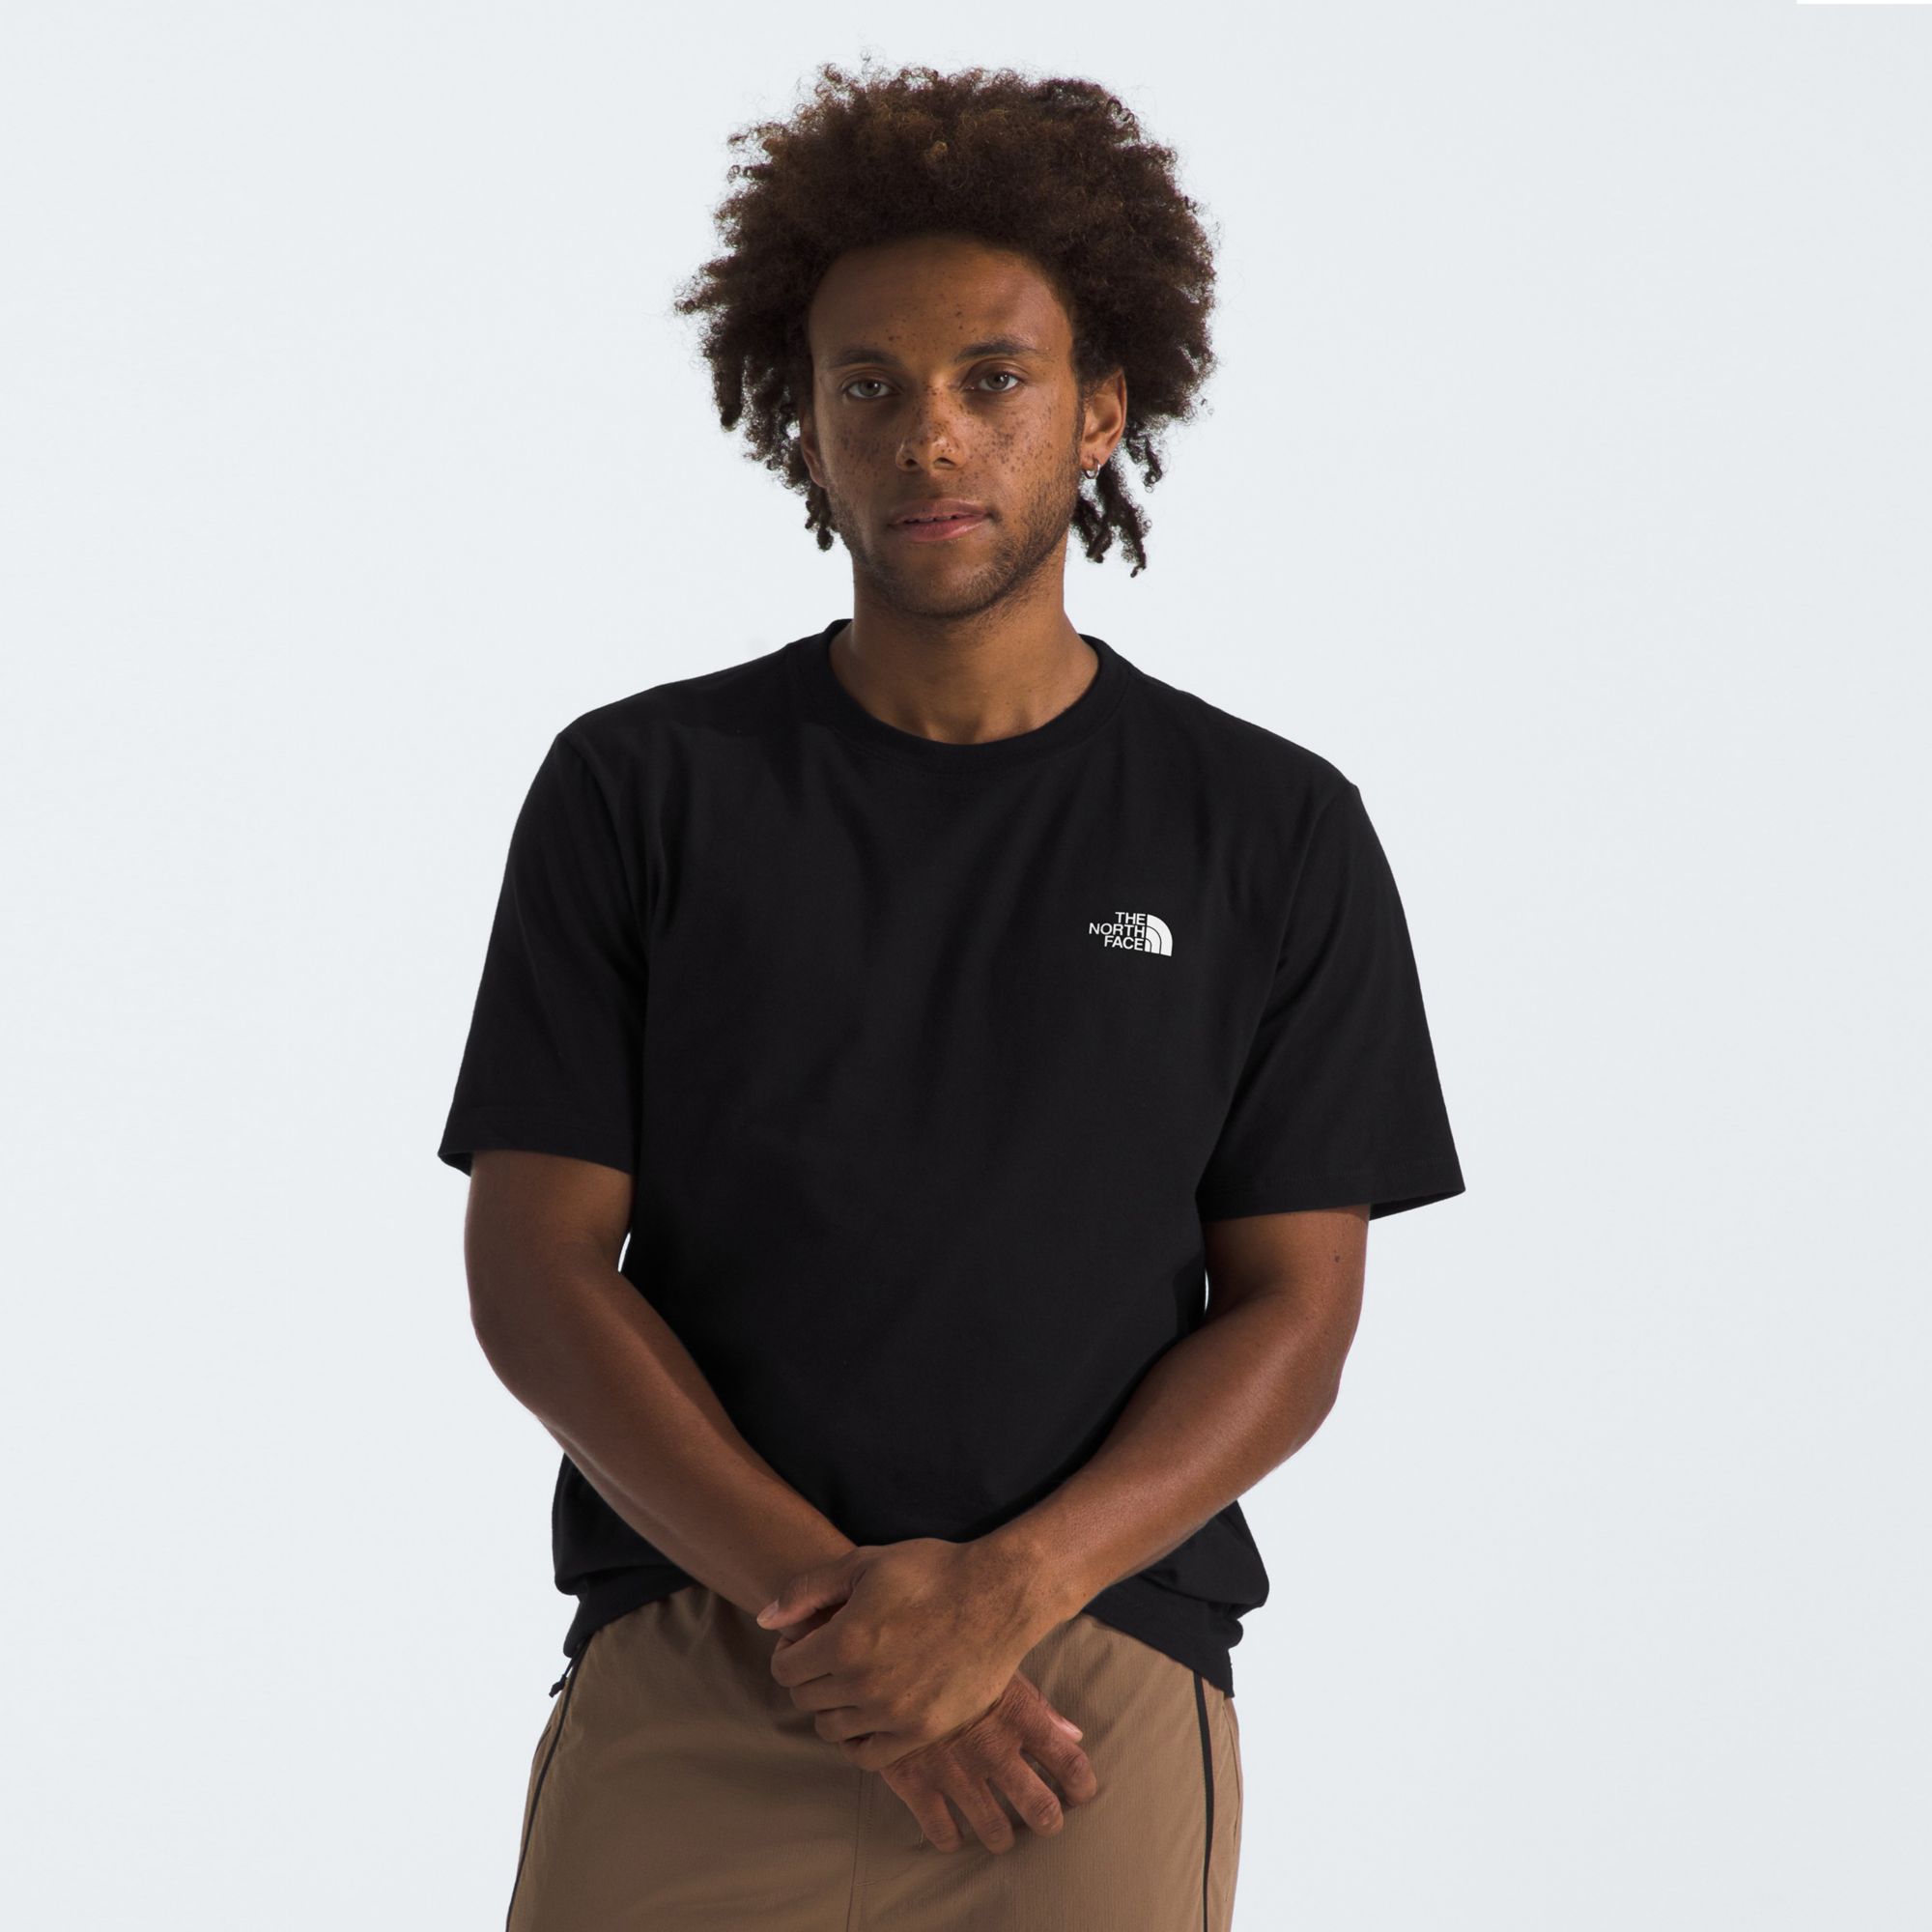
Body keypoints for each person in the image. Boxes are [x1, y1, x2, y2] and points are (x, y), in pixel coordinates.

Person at [437, 60, 1465, 1932]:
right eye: (869, 386)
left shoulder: (1269, 829)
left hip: (1083, 1694)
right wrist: (832, 1615)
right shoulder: (640, 791)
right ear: (800, 420)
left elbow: (1297, 1312)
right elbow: (535, 1273)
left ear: (1099, 409)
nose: (929, 437)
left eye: (992, 379)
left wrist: (1001, 1600)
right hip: (701, 1650)